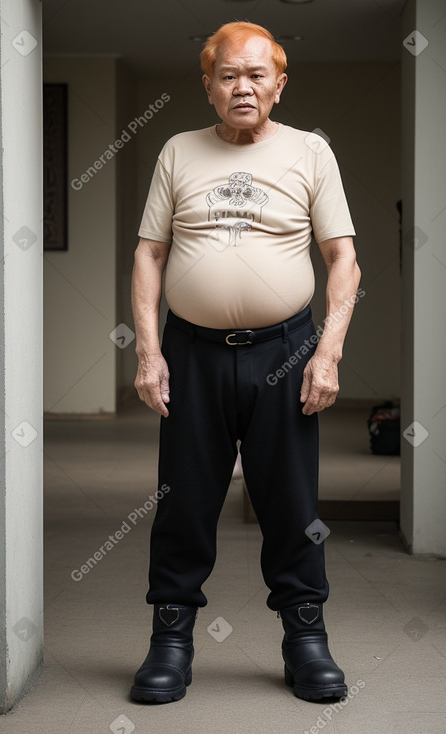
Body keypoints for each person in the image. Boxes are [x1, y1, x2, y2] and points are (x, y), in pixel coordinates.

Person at [130, 21, 361, 704]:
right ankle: (169, 643)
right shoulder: (177, 150)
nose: (242, 87)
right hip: (191, 354)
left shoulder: (310, 153)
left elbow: (341, 257)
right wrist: (148, 354)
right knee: (184, 500)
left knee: (290, 503)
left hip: (284, 353)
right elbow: (149, 253)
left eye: (256, 75)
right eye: (227, 75)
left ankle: (305, 641)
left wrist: (328, 351)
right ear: (207, 86)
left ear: (278, 85)